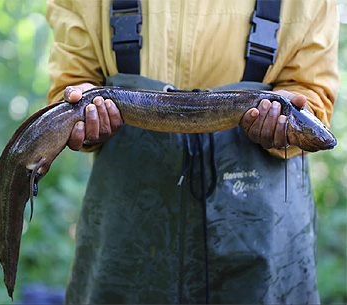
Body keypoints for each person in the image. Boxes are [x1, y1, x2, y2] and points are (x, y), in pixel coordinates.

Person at [45, 0, 339, 303]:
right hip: (127, 237)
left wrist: (284, 122)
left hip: (261, 236)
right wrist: (83, 111)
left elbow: (312, 93)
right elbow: (68, 88)